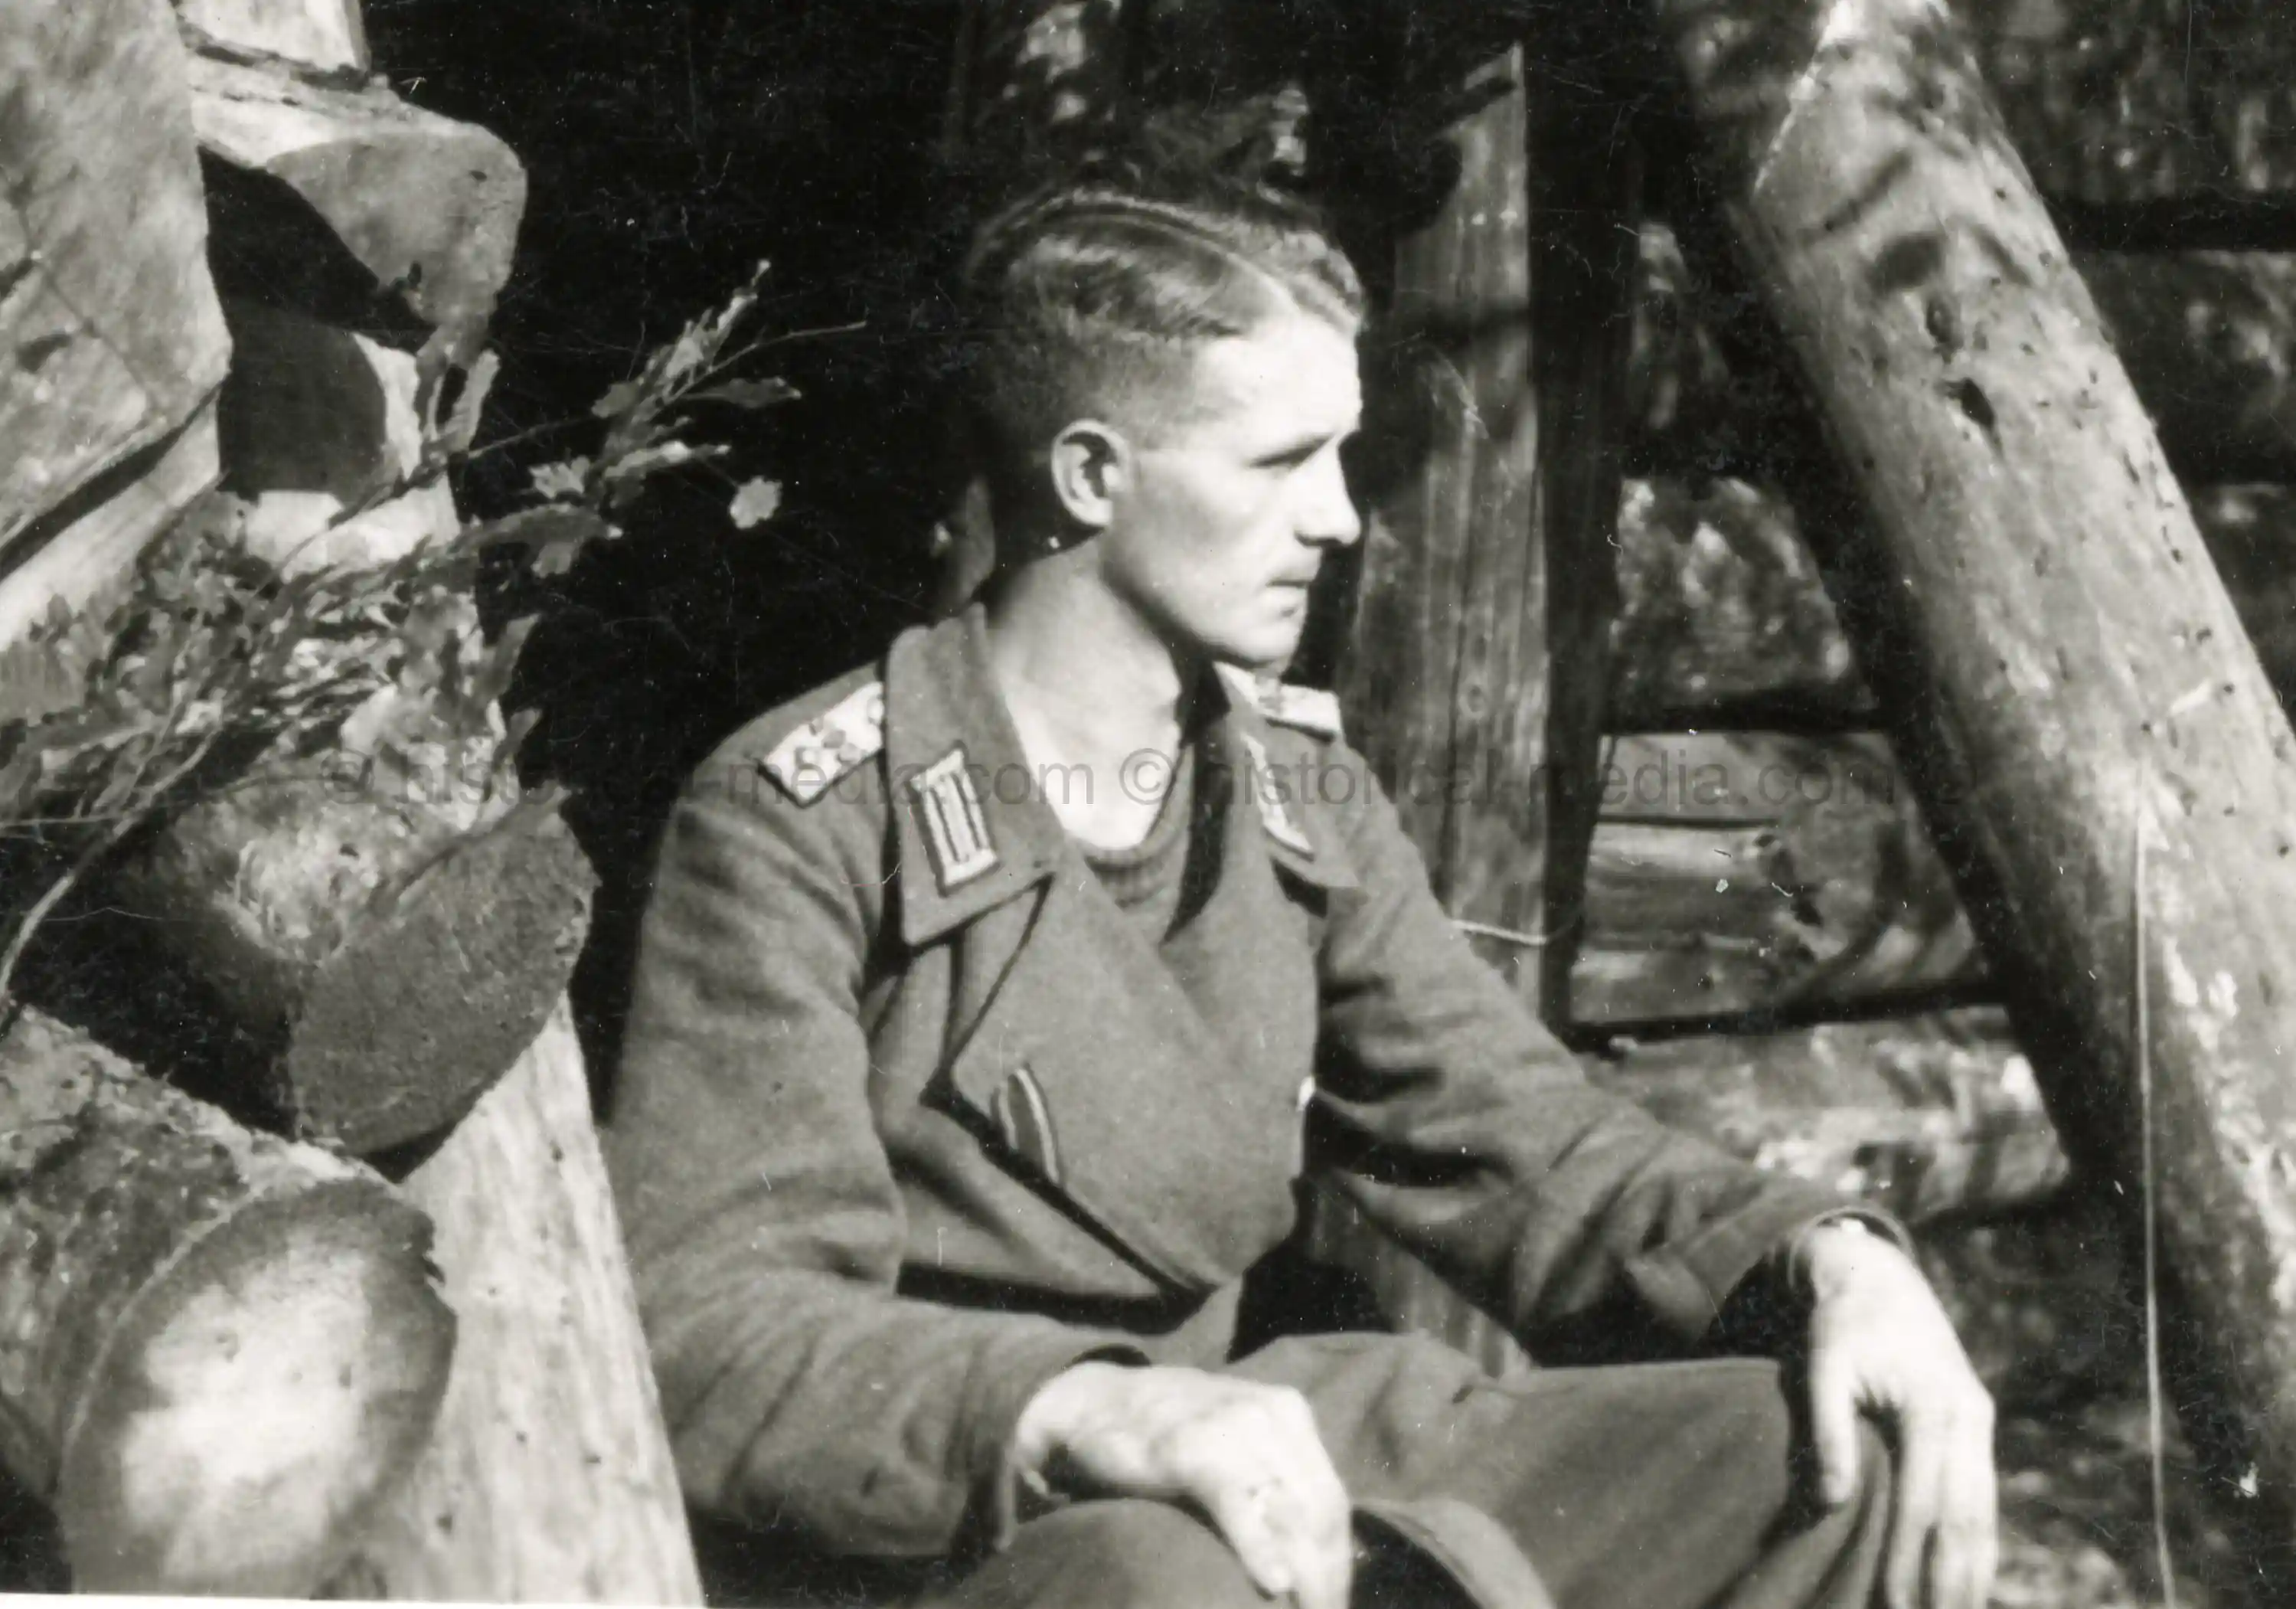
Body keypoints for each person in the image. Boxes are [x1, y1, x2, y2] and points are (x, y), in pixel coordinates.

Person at [604, 172, 1997, 1609]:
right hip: (965, 1529)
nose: (1338, 519)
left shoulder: (1293, 795)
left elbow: (1519, 1139)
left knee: (1835, 1452)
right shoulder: (812, 815)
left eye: (1343, 456)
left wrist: (1823, 1255)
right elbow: (704, 1319)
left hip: (1240, 1462)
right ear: (1091, 477)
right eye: (1280, 465)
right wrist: (1082, 1408)